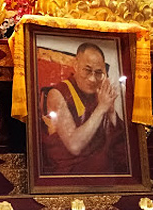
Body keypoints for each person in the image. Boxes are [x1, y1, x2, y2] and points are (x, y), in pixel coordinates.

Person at [42, 42, 129, 174]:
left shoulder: (99, 93)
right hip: (71, 175)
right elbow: (74, 146)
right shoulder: (58, 93)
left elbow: (118, 143)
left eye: (98, 72)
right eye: (87, 70)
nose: (93, 79)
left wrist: (110, 111)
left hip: (101, 170)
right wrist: (101, 108)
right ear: (76, 65)